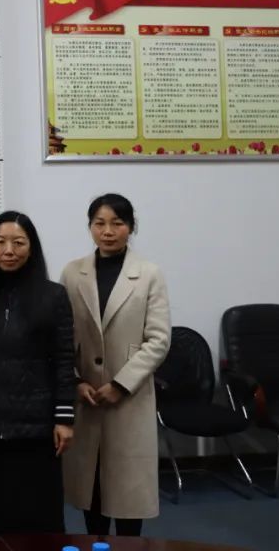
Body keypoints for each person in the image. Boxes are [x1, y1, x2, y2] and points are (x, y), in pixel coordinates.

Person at [60, 193, 171, 537]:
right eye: (99, 223)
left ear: (131, 227)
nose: (107, 231)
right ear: (90, 227)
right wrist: (75, 380)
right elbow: (61, 336)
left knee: (127, 491)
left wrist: (121, 384)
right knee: (91, 487)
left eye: (117, 223)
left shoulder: (149, 274)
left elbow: (159, 339)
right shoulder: (72, 273)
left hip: (129, 398)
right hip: (87, 396)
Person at [0, 211, 75, 535]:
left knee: (41, 516)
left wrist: (65, 418)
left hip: (38, 426)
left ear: (31, 248)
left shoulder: (53, 295)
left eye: (18, 242)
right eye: (0, 242)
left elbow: (65, 359)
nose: (9, 250)